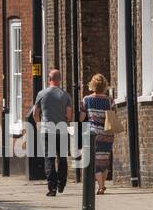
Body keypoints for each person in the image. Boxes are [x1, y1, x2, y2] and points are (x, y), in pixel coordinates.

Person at [32, 68, 73, 197]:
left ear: (49, 79)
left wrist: (39, 124)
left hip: (46, 129)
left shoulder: (42, 94)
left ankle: (52, 188)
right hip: (61, 129)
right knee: (62, 158)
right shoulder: (65, 95)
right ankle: (62, 183)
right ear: (60, 80)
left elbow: (35, 113)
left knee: (49, 158)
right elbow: (69, 115)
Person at [81, 74, 115, 195]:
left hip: (94, 134)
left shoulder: (87, 100)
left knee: (95, 161)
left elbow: (82, 118)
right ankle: (103, 184)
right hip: (107, 133)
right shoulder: (109, 100)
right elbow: (113, 115)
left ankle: (100, 187)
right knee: (104, 160)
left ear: (92, 85)